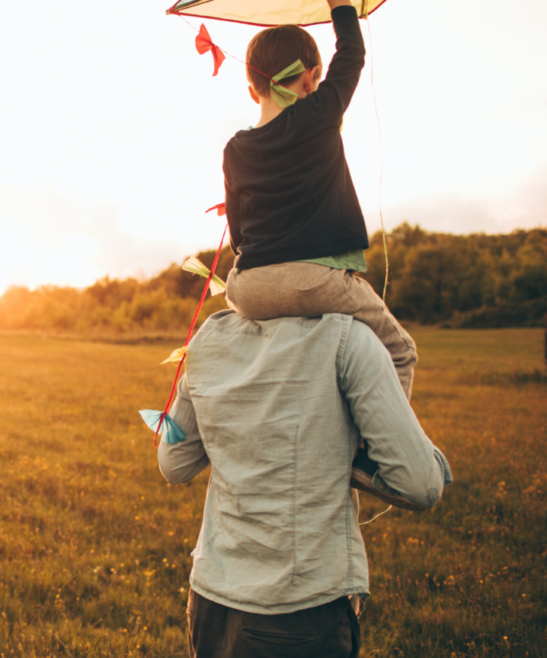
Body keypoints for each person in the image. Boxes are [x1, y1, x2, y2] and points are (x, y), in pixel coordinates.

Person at [156, 311, 453, 657]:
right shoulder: (349, 338)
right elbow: (422, 485)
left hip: (209, 602)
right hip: (299, 610)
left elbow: (173, 463)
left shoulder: (208, 337)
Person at [220, 0, 418, 399]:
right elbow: (352, 55)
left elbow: (239, 234)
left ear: (251, 88)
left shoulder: (234, 147)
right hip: (314, 282)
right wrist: (341, 6)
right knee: (399, 352)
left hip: (247, 288)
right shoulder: (318, 115)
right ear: (312, 79)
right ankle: (372, 455)